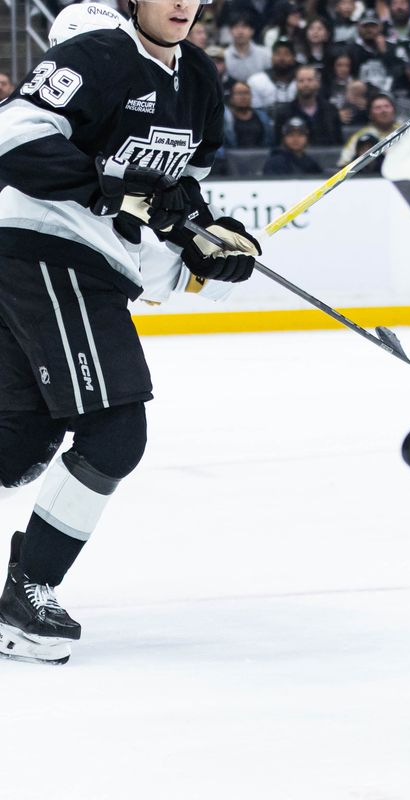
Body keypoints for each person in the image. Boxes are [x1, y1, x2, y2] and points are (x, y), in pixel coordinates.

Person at [0, 0, 260, 666]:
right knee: (115, 431)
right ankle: (29, 594)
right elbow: (13, 136)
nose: (179, 3)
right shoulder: (98, 56)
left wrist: (207, 244)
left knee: (20, 442)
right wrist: (112, 190)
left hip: (90, 262)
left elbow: (174, 202)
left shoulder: (197, 82)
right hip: (49, 247)